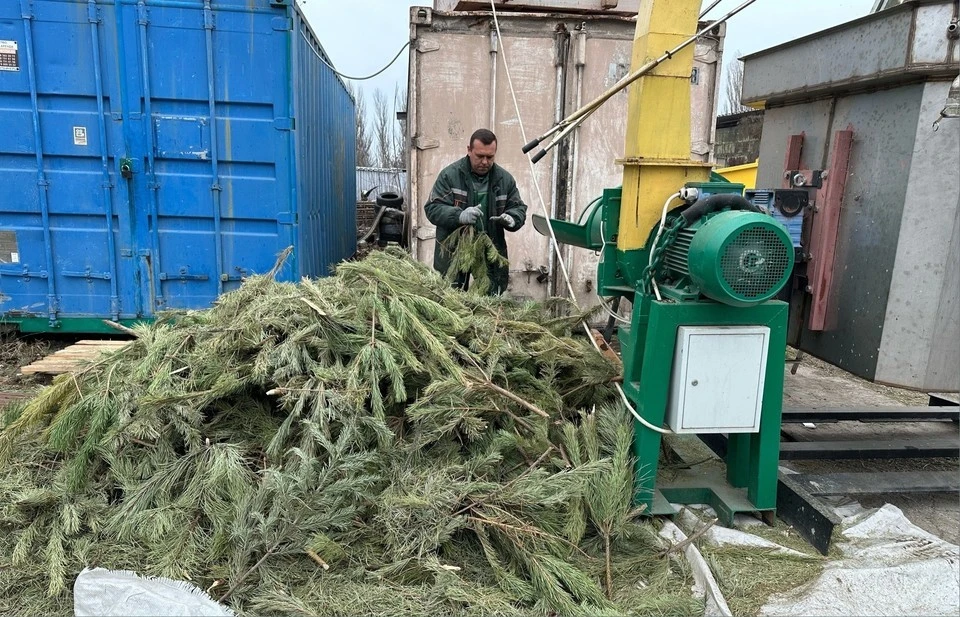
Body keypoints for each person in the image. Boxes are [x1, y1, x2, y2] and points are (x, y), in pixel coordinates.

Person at [424, 129, 528, 295]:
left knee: (491, 298)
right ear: (469, 150)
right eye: (480, 156)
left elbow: (518, 207)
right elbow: (432, 208)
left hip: (490, 249)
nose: (485, 162)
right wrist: (459, 215)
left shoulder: (504, 179)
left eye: (490, 157)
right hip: (455, 251)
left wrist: (513, 218)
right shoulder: (450, 176)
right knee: (451, 298)